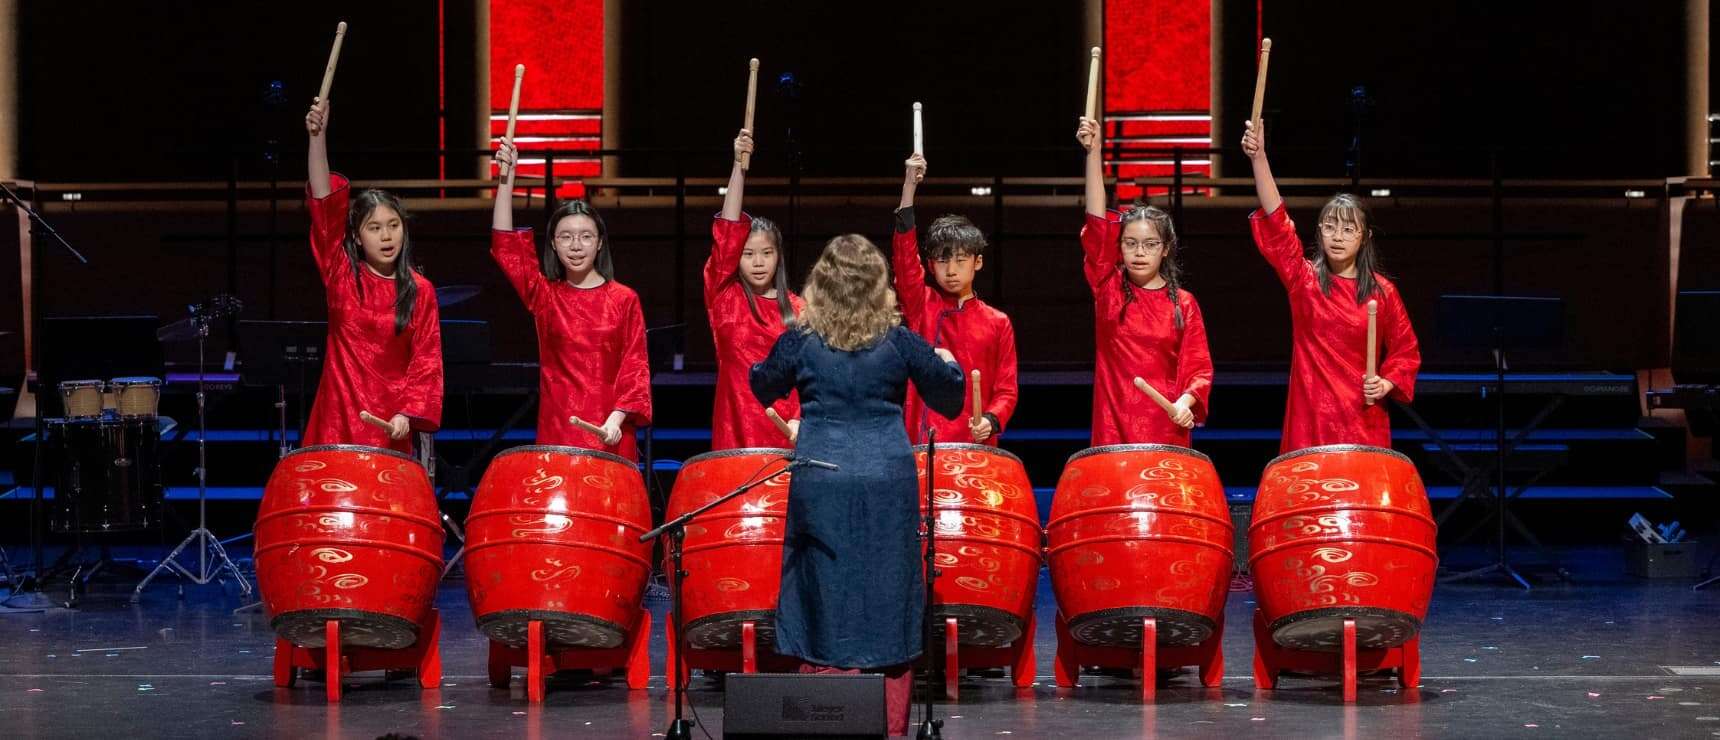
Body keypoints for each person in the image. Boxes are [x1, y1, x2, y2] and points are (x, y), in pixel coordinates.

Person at [750, 234, 964, 736]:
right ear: (878, 286)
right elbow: (951, 400)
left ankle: (826, 720)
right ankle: (886, 722)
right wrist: (949, 365)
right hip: (885, 481)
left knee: (821, 588)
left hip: (822, 478)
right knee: (885, 590)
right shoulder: (899, 341)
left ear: (821, 285)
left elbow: (762, 384)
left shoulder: (801, 340)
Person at [1241, 118, 1421, 452]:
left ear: (1364, 237)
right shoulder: (1303, 280)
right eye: (1329, 227)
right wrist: (1259, 158)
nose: (1337, 237)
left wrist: (1386, 383)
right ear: (1320, 232)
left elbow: (1405, 352)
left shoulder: (1383, 293)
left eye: (1348, 229)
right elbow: (1278, 222)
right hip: (1310, 420)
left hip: (1363, 420)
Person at [492, 139, 652, 457]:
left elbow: (635, 368)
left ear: (600, 243)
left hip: (612, 431)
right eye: (565, 237)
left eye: (585, 237)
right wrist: (506, 177)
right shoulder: (546, 296)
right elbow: (505, 245)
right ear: (552, 244)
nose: (576, 246)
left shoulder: (624, 299)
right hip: (559, 431)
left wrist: (617, 419)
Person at [302, 96, 442, 455]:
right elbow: (323, 205)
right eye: (375, 227)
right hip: (337, 418)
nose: (386, 235)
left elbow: (426, 361)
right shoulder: (341, 275)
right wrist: (318, 137)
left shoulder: (420, 290)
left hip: (390, 425)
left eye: (393, 225)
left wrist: (407, 413)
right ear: (356, 236)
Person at [1075, 115, 1212, 446]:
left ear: (1165, 250)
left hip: (1166, 424)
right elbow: (1096, 220)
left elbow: (1199, 370)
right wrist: (1093, 154)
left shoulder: (1184, 303)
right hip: (1113, 424)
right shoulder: (1107, 286)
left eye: (1150, 244)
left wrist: (1185, 402)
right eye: (1130, 243)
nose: (1139, 252)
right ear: (1118, 247)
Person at [892, 152, 1019, 445]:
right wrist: (909, 187)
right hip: (923, 440)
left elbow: (1007, 389)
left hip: (975, 442)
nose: (951, 270)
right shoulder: (921, 303)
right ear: (930, 265)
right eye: (942, 261)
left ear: (978, 262)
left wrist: (991, 419)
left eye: (960, 260)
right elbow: (904, 259)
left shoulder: (998, 322)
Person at [708, 127, 804, 449]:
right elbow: (727, 229)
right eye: (748, 254)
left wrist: (799, 419)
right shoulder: (725, 296)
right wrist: (737, 165)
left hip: (785, 431)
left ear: (779, 257)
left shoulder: (800, 309)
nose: (758, 262)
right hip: (733, 428)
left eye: (767, 253)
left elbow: (810, 376)